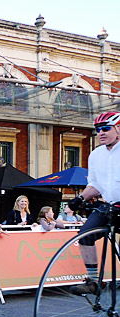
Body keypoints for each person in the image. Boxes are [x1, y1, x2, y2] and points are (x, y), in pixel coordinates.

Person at [67, 112, 120, 294]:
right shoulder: (96, 155)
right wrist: (80, 199)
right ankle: (93, 281)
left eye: (106, 129)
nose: (101, 133)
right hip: (110, 204)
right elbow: (95, 184)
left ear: (118, 129)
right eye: (98, 130)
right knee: (85, 235)